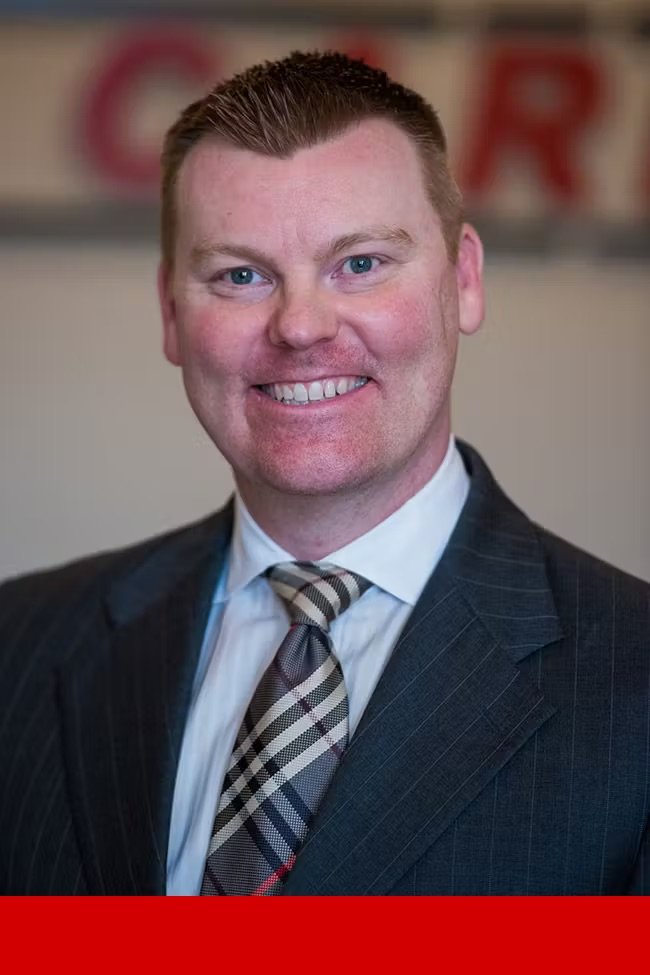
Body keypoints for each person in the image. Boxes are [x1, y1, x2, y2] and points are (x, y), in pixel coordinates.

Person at [0, 51, 647, 896]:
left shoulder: (633, 680)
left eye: (362, 264)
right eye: (240, 275)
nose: (301, 326)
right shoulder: (20, 648)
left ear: (464, 280)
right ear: (170, 312)